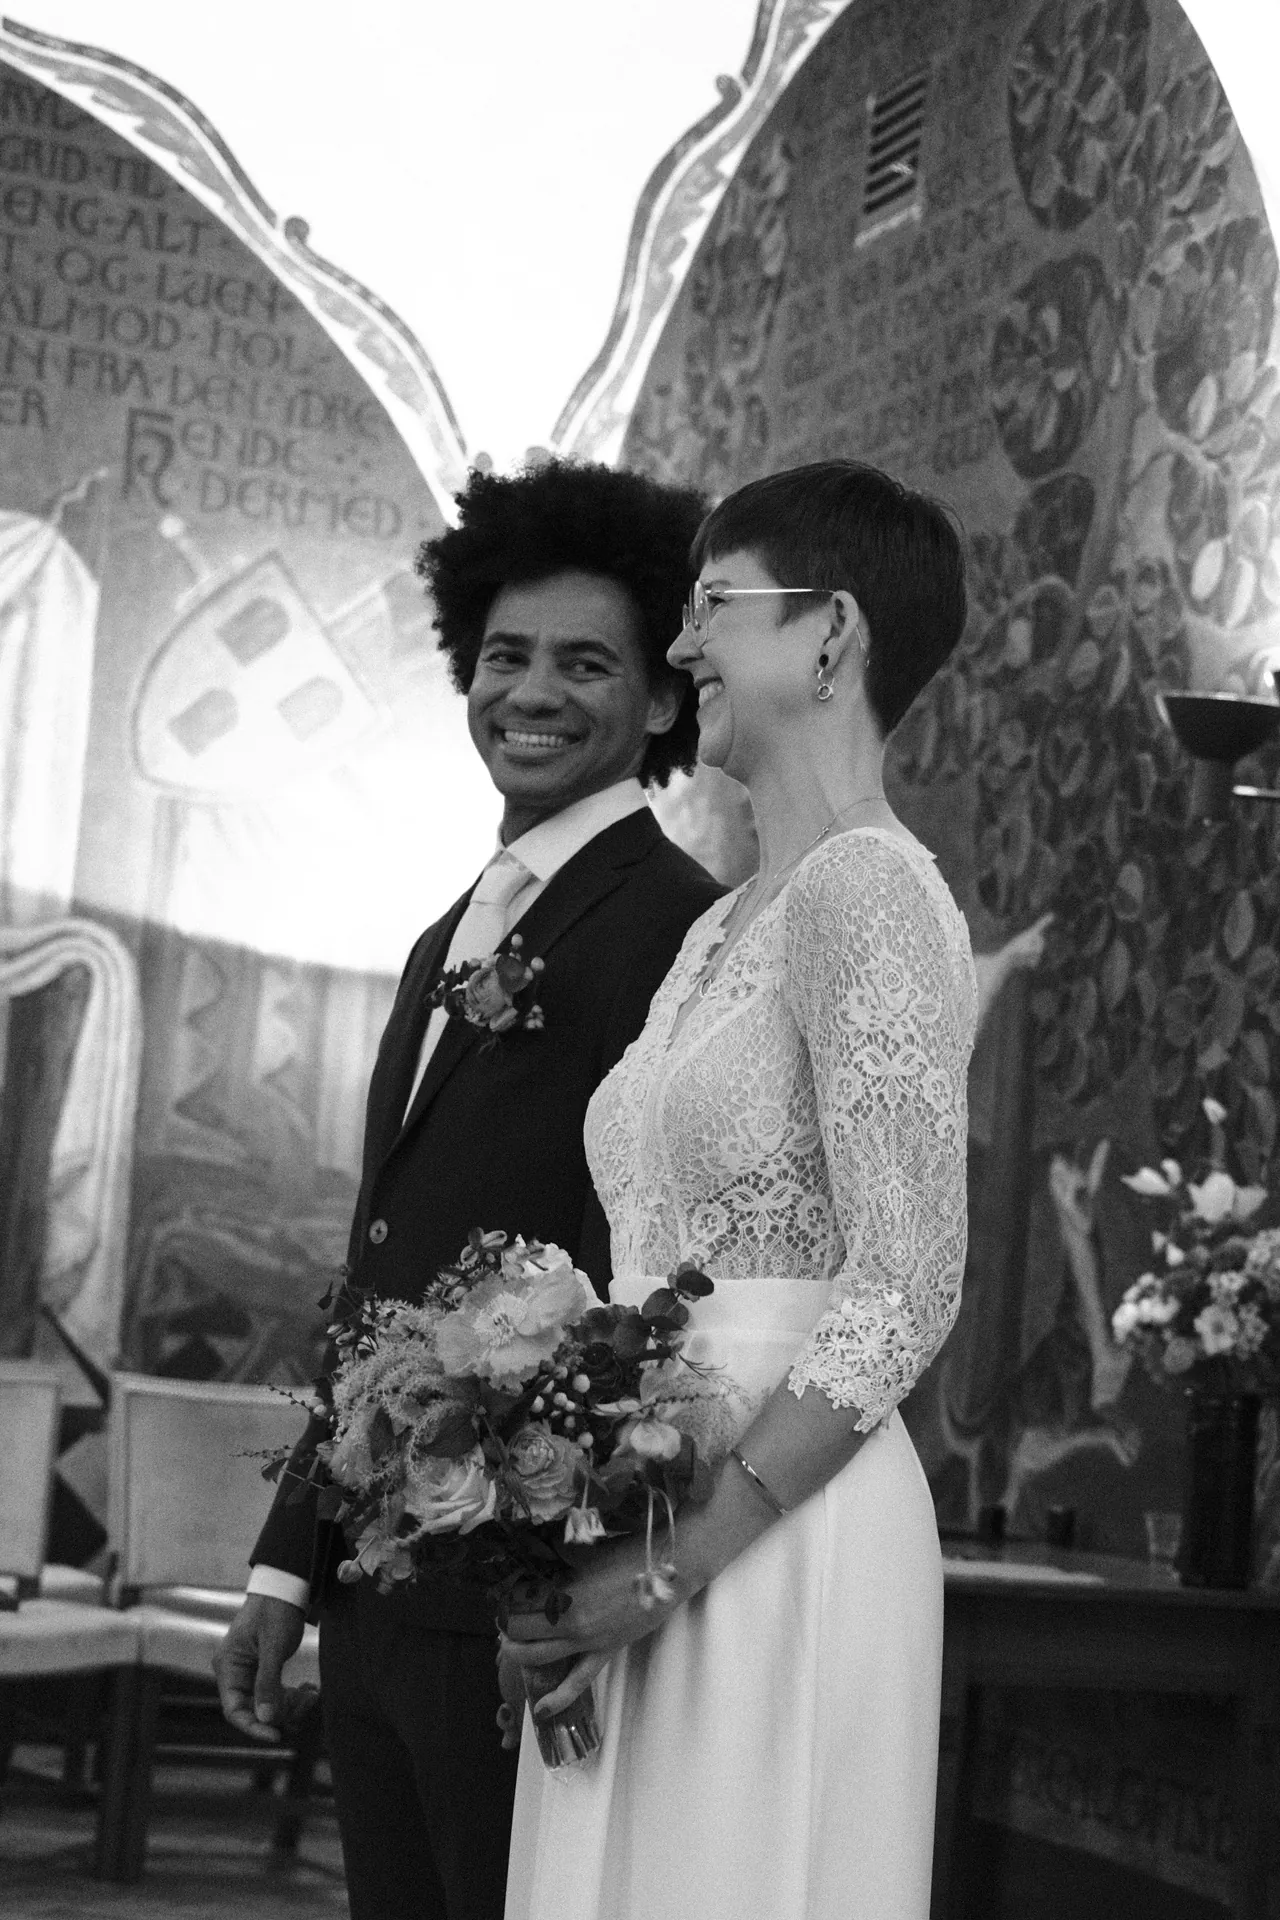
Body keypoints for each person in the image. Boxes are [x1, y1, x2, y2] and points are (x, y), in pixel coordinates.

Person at [213, 459, 725, 1920]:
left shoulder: (680, 931)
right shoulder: (447, 933)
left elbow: (647, 1283)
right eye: (506, 656)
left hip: (517, 1597)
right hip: (378, 1584)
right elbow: (379, 1263)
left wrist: (561, 1584)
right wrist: (288, 1571)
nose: (532, 692)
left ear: (664, 698)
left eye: (585, 664)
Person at [501, 460, 979, 1920]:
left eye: (714, 605)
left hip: (772, 1536)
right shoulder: (721, 929)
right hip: (648, 1507)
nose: (683, 643)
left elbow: (906, 1283)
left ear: (831, 634)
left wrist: (670, 1567)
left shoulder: (866, 890)